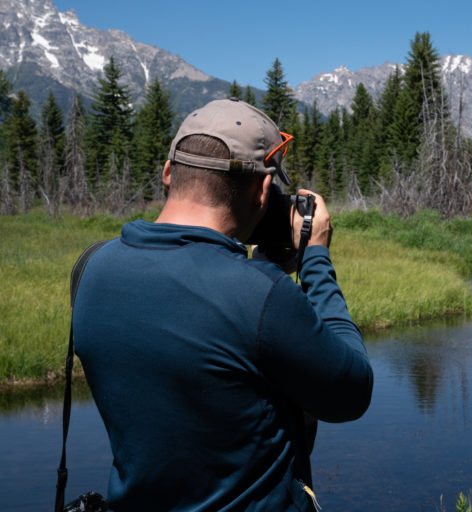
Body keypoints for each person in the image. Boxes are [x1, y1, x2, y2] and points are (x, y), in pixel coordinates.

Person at [73, 98, 373, 511]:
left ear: (167, 172)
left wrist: (260, 269)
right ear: (264, 189)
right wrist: (315, 257)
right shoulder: (259, 294)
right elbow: (351, 392)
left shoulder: (91, 268)